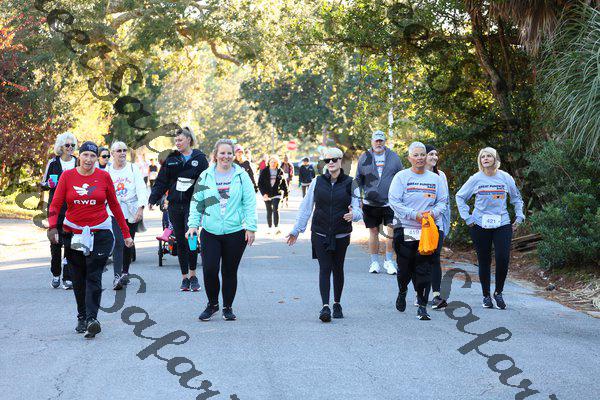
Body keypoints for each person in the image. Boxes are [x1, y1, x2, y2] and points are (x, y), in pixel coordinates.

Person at [47, 141, 133, 338]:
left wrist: (126, 233)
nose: (89, 159)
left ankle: (92, 319)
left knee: (94, 275)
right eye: (85, 155)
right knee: (78, 277)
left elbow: (115, 205)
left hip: (100, 233)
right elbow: (56, 203)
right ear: (79, 156)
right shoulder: (67, 176)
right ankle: (82, 316)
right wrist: (52, 227)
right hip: (73, 232)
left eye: (93, 156)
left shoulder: (103, 176)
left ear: (97, 158)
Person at [286, 148, 363, 322]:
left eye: (334, 159)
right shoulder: (317, 182)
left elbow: (359, 210)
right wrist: (296, 230)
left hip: (341, 234)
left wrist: (354, 215)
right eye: (327, 160)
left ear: (341, 161)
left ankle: (337, 303)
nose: (331, 163)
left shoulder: (352, 183)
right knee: (325, 268)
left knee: (338, 268)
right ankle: (325, 307)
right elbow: (306, 207)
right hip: (320, 233)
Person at [186, 139, 257, 321]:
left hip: (235, 232)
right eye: (222, 153)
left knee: (229, 271)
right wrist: (193, 225)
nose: (226, 156)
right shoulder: (206, 176)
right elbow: (197, 202)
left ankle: (227, 307)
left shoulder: (241, 176)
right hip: (210, 231)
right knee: (209, 270)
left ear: (233, 155)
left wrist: (250, 227)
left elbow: (250, 203)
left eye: (229, 153)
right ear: (216, 155)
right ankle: (212, 305)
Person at [456, 147, 524, 310]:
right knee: (484, 260)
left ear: (495, 159)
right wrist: (468, 218)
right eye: (482, 157)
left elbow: (516, 198)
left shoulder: (505, 177)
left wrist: (519, 216)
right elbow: (460, 196)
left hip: (502, 223)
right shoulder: (475, 178)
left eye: (489, 156)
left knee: (502, 258)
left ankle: (498, 292)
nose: (485, 159)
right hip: (480, 224)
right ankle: (486, 295)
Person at [389, 142, 448, 321]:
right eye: (416, 155)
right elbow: (394, 201)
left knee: (424, 268)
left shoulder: (436, 179)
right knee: (405, 268)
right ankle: (402, 290)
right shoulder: (401, 177)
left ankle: (422, 306)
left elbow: (442, 202)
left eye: (423, 154)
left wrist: (431, 214)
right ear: (409, 158)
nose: (420, 158)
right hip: (405, 228)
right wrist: (414, 215)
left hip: (427, 230)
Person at [148, 127, 209, 291]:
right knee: (180, 241)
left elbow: (207, 182)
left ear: (189, 140)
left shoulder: (200, 159)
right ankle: (184, 278)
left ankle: (193, 275)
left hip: (192, 204)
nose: (178, 143)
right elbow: (161, 181)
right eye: (176, 140)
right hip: (174, 205)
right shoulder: (171, 159)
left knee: (191, 239)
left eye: (180, 140)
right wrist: (153, 198)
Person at [356, 130, 404, 274]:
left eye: (381, 141)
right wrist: (358, 199)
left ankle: (389, 261)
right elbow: (358, 179)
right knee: (373, 231)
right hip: (370, 202)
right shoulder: (364, 157)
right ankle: (374, 262)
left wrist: (401, 198)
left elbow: (401, 178)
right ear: (372, 142)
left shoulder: (394, 157)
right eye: (376, 141)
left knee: (391, 231)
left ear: (384, 142)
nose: (378, 143)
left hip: (390, 203)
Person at [106, 141, 147, 290]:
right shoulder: (107, 171)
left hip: (131, 209)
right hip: (114, 210)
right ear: (112, 153)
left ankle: (125, 271)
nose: (122, 153)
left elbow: (141, 188)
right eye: (119, 151)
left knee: (128, 242)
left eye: (124, 150)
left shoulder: (132, 168)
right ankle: (117, 277)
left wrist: (140, 208)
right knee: (118, 241)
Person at [41, 132, 78, 290]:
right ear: (61, 147)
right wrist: (49, 184)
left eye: (73, 145)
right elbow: (43, 184)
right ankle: (56, 273)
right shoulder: (53, 162)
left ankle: (67, 277)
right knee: (55, 241)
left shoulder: (78, 162)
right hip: (55, 207)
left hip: (73, 208)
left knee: (70, 243)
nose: (70, 148)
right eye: (67, 145)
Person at [422, 144, 451, 309]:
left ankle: (436, 296)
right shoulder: (415, 175)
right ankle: (420, 294)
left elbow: (445, 201)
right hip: (416, 224)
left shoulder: (441, 176)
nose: (434, 157)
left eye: (435, 154)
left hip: (436, 223)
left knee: (434, 257)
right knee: (418, 258)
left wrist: (444, 225)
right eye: (430, 154)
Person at [258, 155, 288, 235]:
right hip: (267, 194)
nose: (273, 163)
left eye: (275, 162)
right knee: (269, 210)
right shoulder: (264, 171)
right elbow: (260, 183)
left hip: (277, 193)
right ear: (269, 163)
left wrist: (286, 194)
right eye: (272, 162)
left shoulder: (280, 171)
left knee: (275, 209)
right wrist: (264, 194)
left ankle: (277, 228)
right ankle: (269, 228)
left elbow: (284, 183)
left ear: (277, 163)